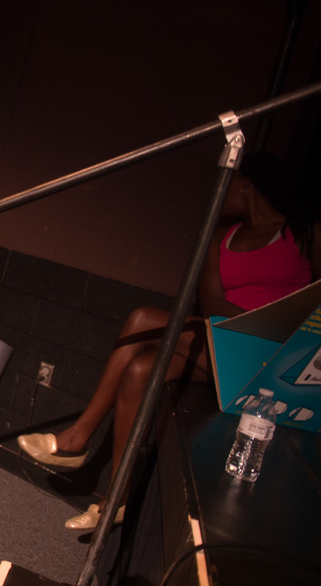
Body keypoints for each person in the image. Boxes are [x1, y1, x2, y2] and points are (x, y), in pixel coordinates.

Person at [18, 153, 320, 530]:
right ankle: (115, 497)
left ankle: (79, 439)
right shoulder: (220, 237)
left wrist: (274, 327)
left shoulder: (304, 233)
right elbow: (211, 303)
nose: (219, 192)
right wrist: (239, 327)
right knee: (141, 367)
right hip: (225, 342)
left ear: (246, 184)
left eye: (229, 182)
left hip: (274, 353)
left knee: (144, 319)